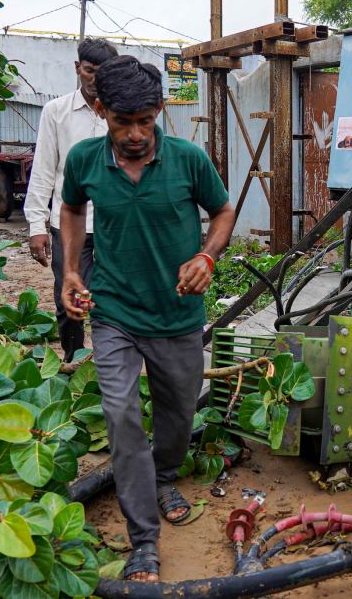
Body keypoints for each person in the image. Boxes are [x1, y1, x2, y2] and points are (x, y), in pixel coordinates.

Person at [59, 55, 236, 582]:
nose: (135, 135)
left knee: (178, 414)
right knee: (121, 413)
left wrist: (206, 257)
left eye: (145, 121)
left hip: (177, 311)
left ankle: (162, 476)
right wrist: (71, 271)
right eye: (122, 122)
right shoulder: (84, 160)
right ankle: (143, 540)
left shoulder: (188, 160)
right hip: (113, 309)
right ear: (101, 111)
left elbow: (223, 210)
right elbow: (72, 208)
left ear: (159, 109)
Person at [25, 37, 118, 360]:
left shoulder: (121, 113)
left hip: (114, 224)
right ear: (78, 68)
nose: (95, 79)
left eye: (103, 72)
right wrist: (36, 226)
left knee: (111, 300)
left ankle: (109, 364)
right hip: (68, 224)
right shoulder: (56, 112)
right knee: (70, 299)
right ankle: (72, 361)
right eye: (90, 71)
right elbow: (44, 170)